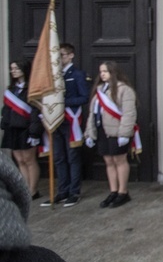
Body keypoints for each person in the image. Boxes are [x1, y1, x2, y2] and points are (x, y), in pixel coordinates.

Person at [41, 42, 89, 207]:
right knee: (59, 158)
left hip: (70, 120)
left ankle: (74, 191)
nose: (59, 58)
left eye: (62, 55)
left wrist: (63, 102)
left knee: (72, 157)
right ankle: (62, 190)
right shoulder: (52, 76)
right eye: (57, 55)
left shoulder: (77, 74)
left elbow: (84, 97)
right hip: (55, 121)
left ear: (70, 55)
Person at [84, 62, 137, 208]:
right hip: (102, 131)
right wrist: (89, 133)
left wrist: (125, 133)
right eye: (101, 71)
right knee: (108, 161)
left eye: (106, 71)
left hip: (117, 131)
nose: (102, 74)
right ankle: (113, 191)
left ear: (114, 72)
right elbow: (92, 114)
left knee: (119, 160)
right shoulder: (99, 90)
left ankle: (123, 192)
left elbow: (129, 113)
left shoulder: (124, 90)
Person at [1, 59, 43, 200]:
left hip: (27, 129)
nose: (13, 71)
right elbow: (6, 109)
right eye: (12, 69)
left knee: (29, 159)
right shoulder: (11, 89)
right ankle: (25, 189)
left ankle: (33, 190)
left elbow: (36, 112)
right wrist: (4, 123)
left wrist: (34, 131)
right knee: (19, 160)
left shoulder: (32, 89)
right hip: (13, 128)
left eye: (16, 68)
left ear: (24, 70)